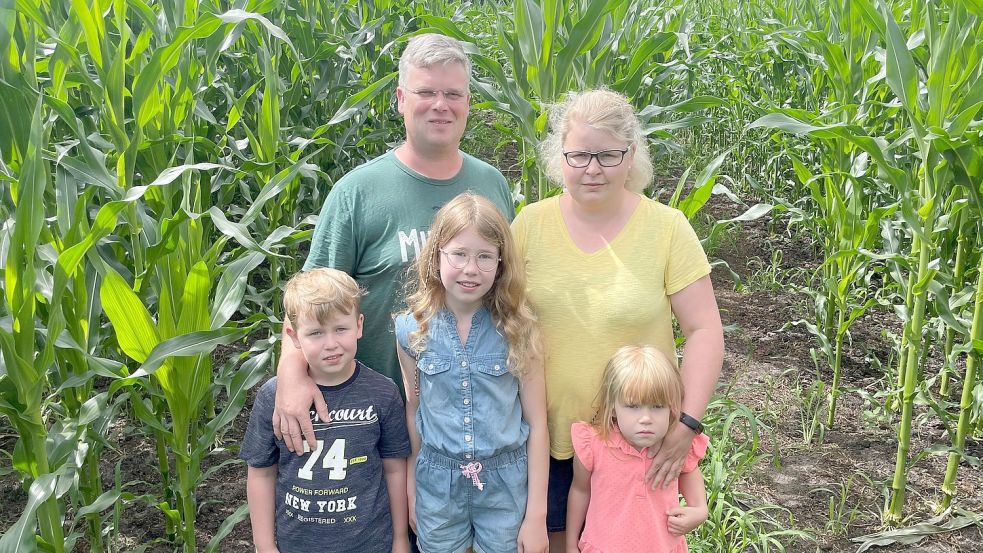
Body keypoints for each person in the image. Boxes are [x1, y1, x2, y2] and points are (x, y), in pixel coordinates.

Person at [272, 32, 515, 454]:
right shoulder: (358, 193)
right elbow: (308, 301)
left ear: (468, 103)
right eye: (426, 92)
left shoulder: (491, 184)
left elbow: (510, 292)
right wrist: (292, 375)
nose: (441, 104)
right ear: (401, 98)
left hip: (473, 429)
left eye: (453, 93)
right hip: (374, 424)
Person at [510, 89, 723, 551]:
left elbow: (704, 331)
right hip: (545, 440)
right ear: (559, 157)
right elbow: (498, 317)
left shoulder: (666, 229)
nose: (593, 168)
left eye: (608, 154)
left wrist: (685, 425)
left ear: (631, 157)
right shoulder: (528, 225)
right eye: (580, 154)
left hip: (638, 443)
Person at [394, 193, 549, 553]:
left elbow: (538, 423)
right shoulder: (410, 330)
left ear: (500, 263)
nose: (470, 269)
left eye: (484, 256)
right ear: (436, 256)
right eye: (459, 254)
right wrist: (412, 488)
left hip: (506, 485)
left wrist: (536, 515)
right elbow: (415, 410)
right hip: (437, 483)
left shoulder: (519, 329)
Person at [242, 268, 411, 553]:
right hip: (296, 544)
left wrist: (399, 540)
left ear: (359, 325)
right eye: (316, 333)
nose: (331, 343)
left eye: (340, 329)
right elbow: (261, 473)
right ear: (294, 336)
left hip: (370, 543)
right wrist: (264, 545)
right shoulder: (274, 398)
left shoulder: (384, 393)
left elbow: (394, 470)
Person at [566, 345, 709, 553]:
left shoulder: (676, 450)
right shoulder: (594, 444)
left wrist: (699, 513)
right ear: (612, 408)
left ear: (672, 408)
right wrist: (570, 544)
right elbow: (580, 491)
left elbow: (696, 499)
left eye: (657, 406)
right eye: (633, 406)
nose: (645, 419)